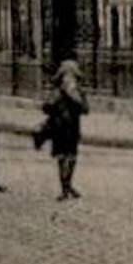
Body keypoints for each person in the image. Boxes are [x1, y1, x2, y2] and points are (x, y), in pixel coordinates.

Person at [41, 59, 89, 202]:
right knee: (62, 158)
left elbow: (86, 110)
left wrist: (76, 98)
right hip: (59, 129)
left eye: (72, 76)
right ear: (61, 77)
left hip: (73, 128)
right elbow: (45, 108)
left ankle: (69, 184)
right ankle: (64, 189)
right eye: (66, 76)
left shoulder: (79, 92)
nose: (69, 79)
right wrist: (54, 100)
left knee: (72, 158)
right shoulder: (56, 92)